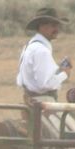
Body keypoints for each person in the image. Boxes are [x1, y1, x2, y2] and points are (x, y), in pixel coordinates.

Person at [16, 7, 72, 137]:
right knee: (69, 137)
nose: (57, 29)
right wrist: (65, 74)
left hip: (32, 99)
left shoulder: (29, 46)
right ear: (42, 26)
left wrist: (59, 71)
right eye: (53, 25)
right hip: (43, 102)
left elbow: (25, 79)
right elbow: (44, 84)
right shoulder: (42, 51)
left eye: (57, 25)